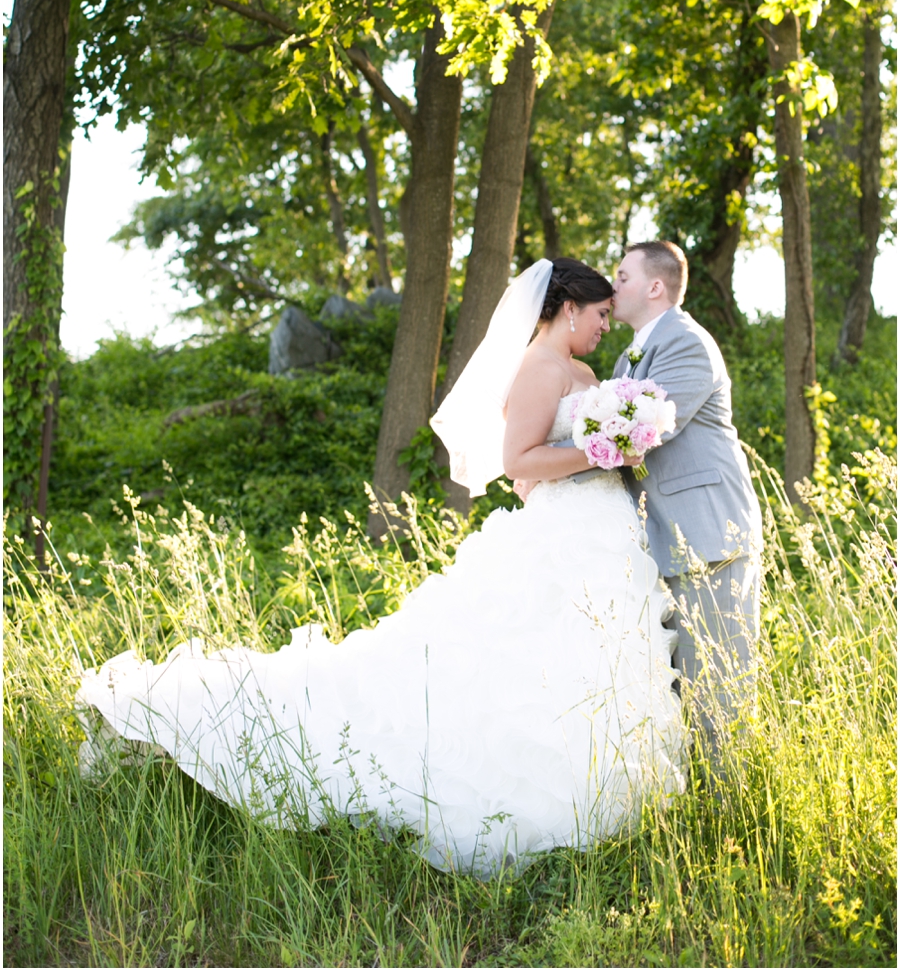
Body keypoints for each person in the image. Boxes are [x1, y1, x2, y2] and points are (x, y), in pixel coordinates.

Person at [77, 258, 686, 877]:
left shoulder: (582, 369)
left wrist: (615, 445)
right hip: (560, 535)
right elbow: (520, 461)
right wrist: (597, 448)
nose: (607, 324)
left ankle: (596, 784)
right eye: (602, 313)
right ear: (569, 307)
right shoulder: (539, 367)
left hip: (598, 532)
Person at [607, 241, 762, 751]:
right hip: (665, 543)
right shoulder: (628, 356)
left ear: (655, 287)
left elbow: (641, 431)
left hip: (708, 539)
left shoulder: (685, 342)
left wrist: (544, 456)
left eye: (623, 276)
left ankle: (729, 819)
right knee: (675, 691)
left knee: (718, 694)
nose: (613, 286)